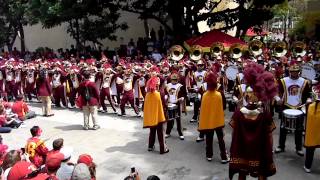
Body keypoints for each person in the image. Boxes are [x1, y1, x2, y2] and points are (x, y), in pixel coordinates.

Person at [229, 63, 277, 180]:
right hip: (259, 150)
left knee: (242, 170)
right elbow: (270, 133)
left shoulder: (238, 113)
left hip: (242, 149)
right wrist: (270, 148)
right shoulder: (265, 114)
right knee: (262, 170)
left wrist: (234, 147)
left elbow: (233, 131)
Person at [275, 61, 312, 156]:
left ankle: (298, 148)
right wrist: (278, 99)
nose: (294, 73)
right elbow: (277, 92)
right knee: (283, 127)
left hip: (299, 107)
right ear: (290, 71)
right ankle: (281, 146)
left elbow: (308, 94)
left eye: (296, 71)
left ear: (299, 71)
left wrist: (308, 100)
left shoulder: (304, 81)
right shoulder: (283, 80)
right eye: (292, 71)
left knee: (299, 129)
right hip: (286, 106)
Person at [198, 70, 229, 163]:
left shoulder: (204, 95)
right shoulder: (219, 94)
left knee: (209, 138)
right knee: (221, 140)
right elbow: (224, 106)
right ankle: (224, 157)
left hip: (208, 121)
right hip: (218, 120)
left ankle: (209, 155)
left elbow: (202, 107)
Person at [143, 76, 169, 154]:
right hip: (159, 116)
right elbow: (164, 105)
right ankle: (162, 149)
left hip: (151, 116)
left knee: (152, 131)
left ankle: (150, 146)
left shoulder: (147, 94)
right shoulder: (159, 93)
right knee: (160, 133)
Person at [303, 83, 320, 173]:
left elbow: (310, 104)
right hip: (315, 108)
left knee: (312, 140)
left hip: (315, 110)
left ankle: (308, 166)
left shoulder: (315, 87)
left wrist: (309, 102)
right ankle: (307, 165)